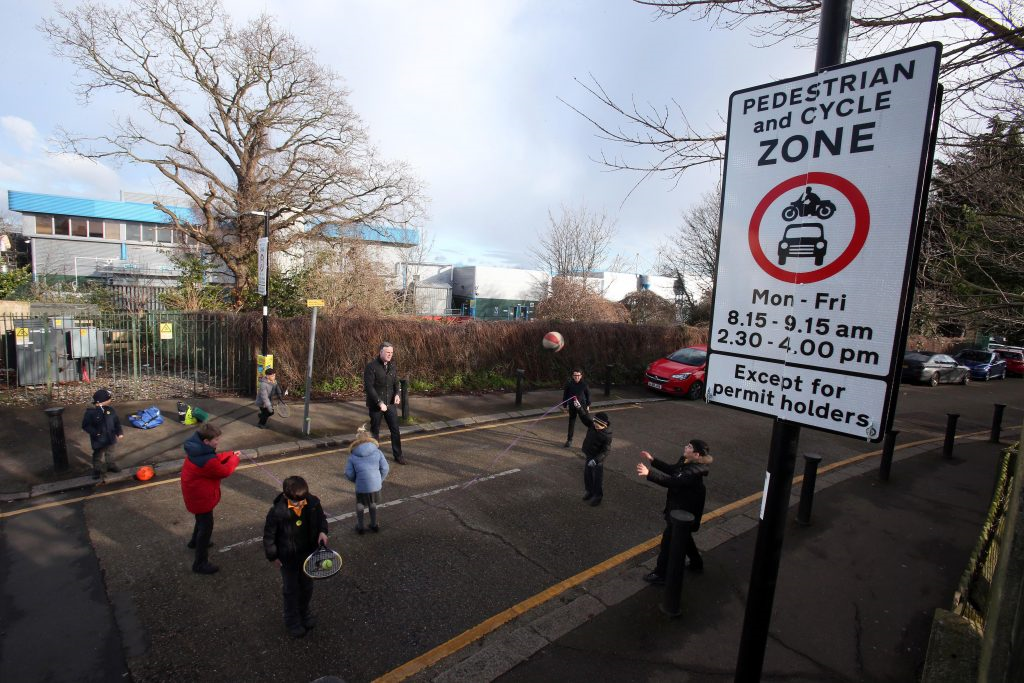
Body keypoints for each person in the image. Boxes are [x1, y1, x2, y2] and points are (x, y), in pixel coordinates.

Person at [636, 439, 713, 584]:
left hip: (683, 510)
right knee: (685, 537)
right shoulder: (686, 461)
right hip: (680, 506)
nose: (685, 447)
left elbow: (674, 481)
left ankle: (661, 574)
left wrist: (649, 474)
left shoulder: (694, 471)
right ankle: (697, 564)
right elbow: (673, 470)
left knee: (668, 542)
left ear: (696, 455)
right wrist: (653, 460)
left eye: (689, 447)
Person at [263, 475, 329, 638]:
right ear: (285, 496)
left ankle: (304, 613)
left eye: (302, 500)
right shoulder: (277, 513)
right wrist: (273, 556)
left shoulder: (313, 503)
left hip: (309, 556)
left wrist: (323, 531)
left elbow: (322, 520)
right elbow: (269, 536)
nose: (299, 504)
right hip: (289, 559)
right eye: (295, 502)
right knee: (291, 590)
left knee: (307, 587)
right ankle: (292, 620)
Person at [180, 423, 240, 575]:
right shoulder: (207, 460)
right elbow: (223, 471)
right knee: (206, 527)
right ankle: (200, 563)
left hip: (194, 494)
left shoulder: (198, 450)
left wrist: (230, 454)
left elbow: (215, 457)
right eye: (216, 440)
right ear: (206, 441)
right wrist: (234, 460)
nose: (218, 442)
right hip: (201, 497)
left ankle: (194, 541)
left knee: (201, 521)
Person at [363, 342, 405, 464]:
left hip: (391, 404)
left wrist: (397, 394)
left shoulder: (392, 366)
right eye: (387, 352)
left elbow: (396, 382)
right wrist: (379, 402)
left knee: (395, 430)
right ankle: (374, 458)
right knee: (375, 431)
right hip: (376, 405)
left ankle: (398, 456)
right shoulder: (371, 367)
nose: (390, 355)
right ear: (380, 352)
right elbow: (369, 387)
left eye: (391, 353)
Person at [344, 430, 390, 534]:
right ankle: (373, 525)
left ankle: (360, 527)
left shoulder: (353, 455)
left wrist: (356, 480)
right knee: (372, 503)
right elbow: (385, 468)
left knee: (360, 503)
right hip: (375, 485)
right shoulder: (377, 452)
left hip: (361, 485)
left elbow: (348, 473)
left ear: (357, 441)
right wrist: (380, 479)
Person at [574, 402, 612, 506]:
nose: (595, 426)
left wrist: (596, 460)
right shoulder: (593, 425)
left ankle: (597, 496)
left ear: (604, 425)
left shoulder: (607, 435)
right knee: (587, 475)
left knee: (597, 478)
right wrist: (579, 407)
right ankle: (589, 491)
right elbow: (585, 418)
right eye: (595, 423)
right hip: (589, 454)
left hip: (597, 459)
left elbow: (606, 451)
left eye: (598, 425)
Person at [81, 388, 123, 477]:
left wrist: (119, 432)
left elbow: (116, 422)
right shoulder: (91, 412)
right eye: (108, 399)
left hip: (110, 437)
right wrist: (96, 432)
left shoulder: (110, 410)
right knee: (97, 454)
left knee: (110, 452)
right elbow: (86, 425)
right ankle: (97, 469)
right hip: (98, 439)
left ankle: (111, 465)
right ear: (101, 401)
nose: (110, 400)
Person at [561, 369, 591, 448]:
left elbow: (588, 395)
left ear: (581, 376)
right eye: (575, 375)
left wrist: (588, 405)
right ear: (572, 376)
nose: (576, 377)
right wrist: (564, 406)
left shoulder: (584, 384)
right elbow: (565, 396)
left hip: (582, 406)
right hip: (572, 406)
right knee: (571, 422)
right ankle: (569, 440)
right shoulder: (569, 384)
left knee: (588, 422)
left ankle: (591, 439)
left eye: (578, 375)